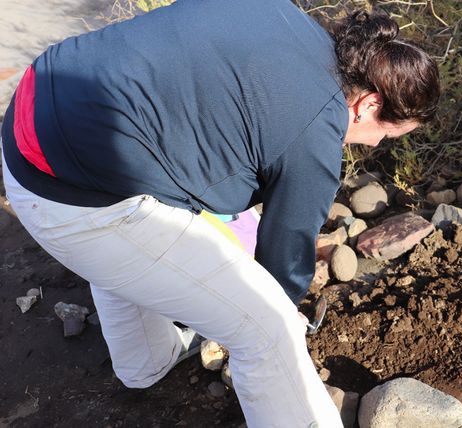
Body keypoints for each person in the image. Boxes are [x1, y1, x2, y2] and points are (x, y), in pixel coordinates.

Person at [0, 0, 439, 426]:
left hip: (36, 109)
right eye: (386, 134)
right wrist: (268, 313)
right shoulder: (316, 133)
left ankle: (147, 363)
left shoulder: (279, 12)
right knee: (268, 331)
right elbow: (283, 268)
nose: (377, 145)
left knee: (136, 243)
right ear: (368, 106)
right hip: (65, 197)